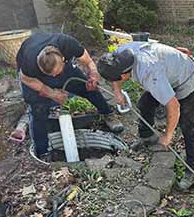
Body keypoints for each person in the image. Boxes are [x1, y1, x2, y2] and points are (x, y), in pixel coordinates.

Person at [97, 42, 194, 190]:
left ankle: (192, 169)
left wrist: (168, 136)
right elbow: (116, 78)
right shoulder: (120, 54)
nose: (114, 83)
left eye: (115, 80)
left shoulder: (148, 72)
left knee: (187, 125)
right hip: (166, 74)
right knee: (144, 104)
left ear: (123, 75)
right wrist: (117, 91)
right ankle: (147, 136)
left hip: (185, 79)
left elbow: (174, 106)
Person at [17, 32, 123, 160]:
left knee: (88, 88)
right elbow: (27, 79)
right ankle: (43, 152)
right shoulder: (30, 62)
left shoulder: (67, 44)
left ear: (63, 58)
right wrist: (52, 94)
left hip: (63, 69)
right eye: (51, 76)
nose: (55, 78)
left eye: (57, 73)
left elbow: (88, 61)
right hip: (34, 79)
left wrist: (93, 75)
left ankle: (107, 113)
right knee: (38, 110)